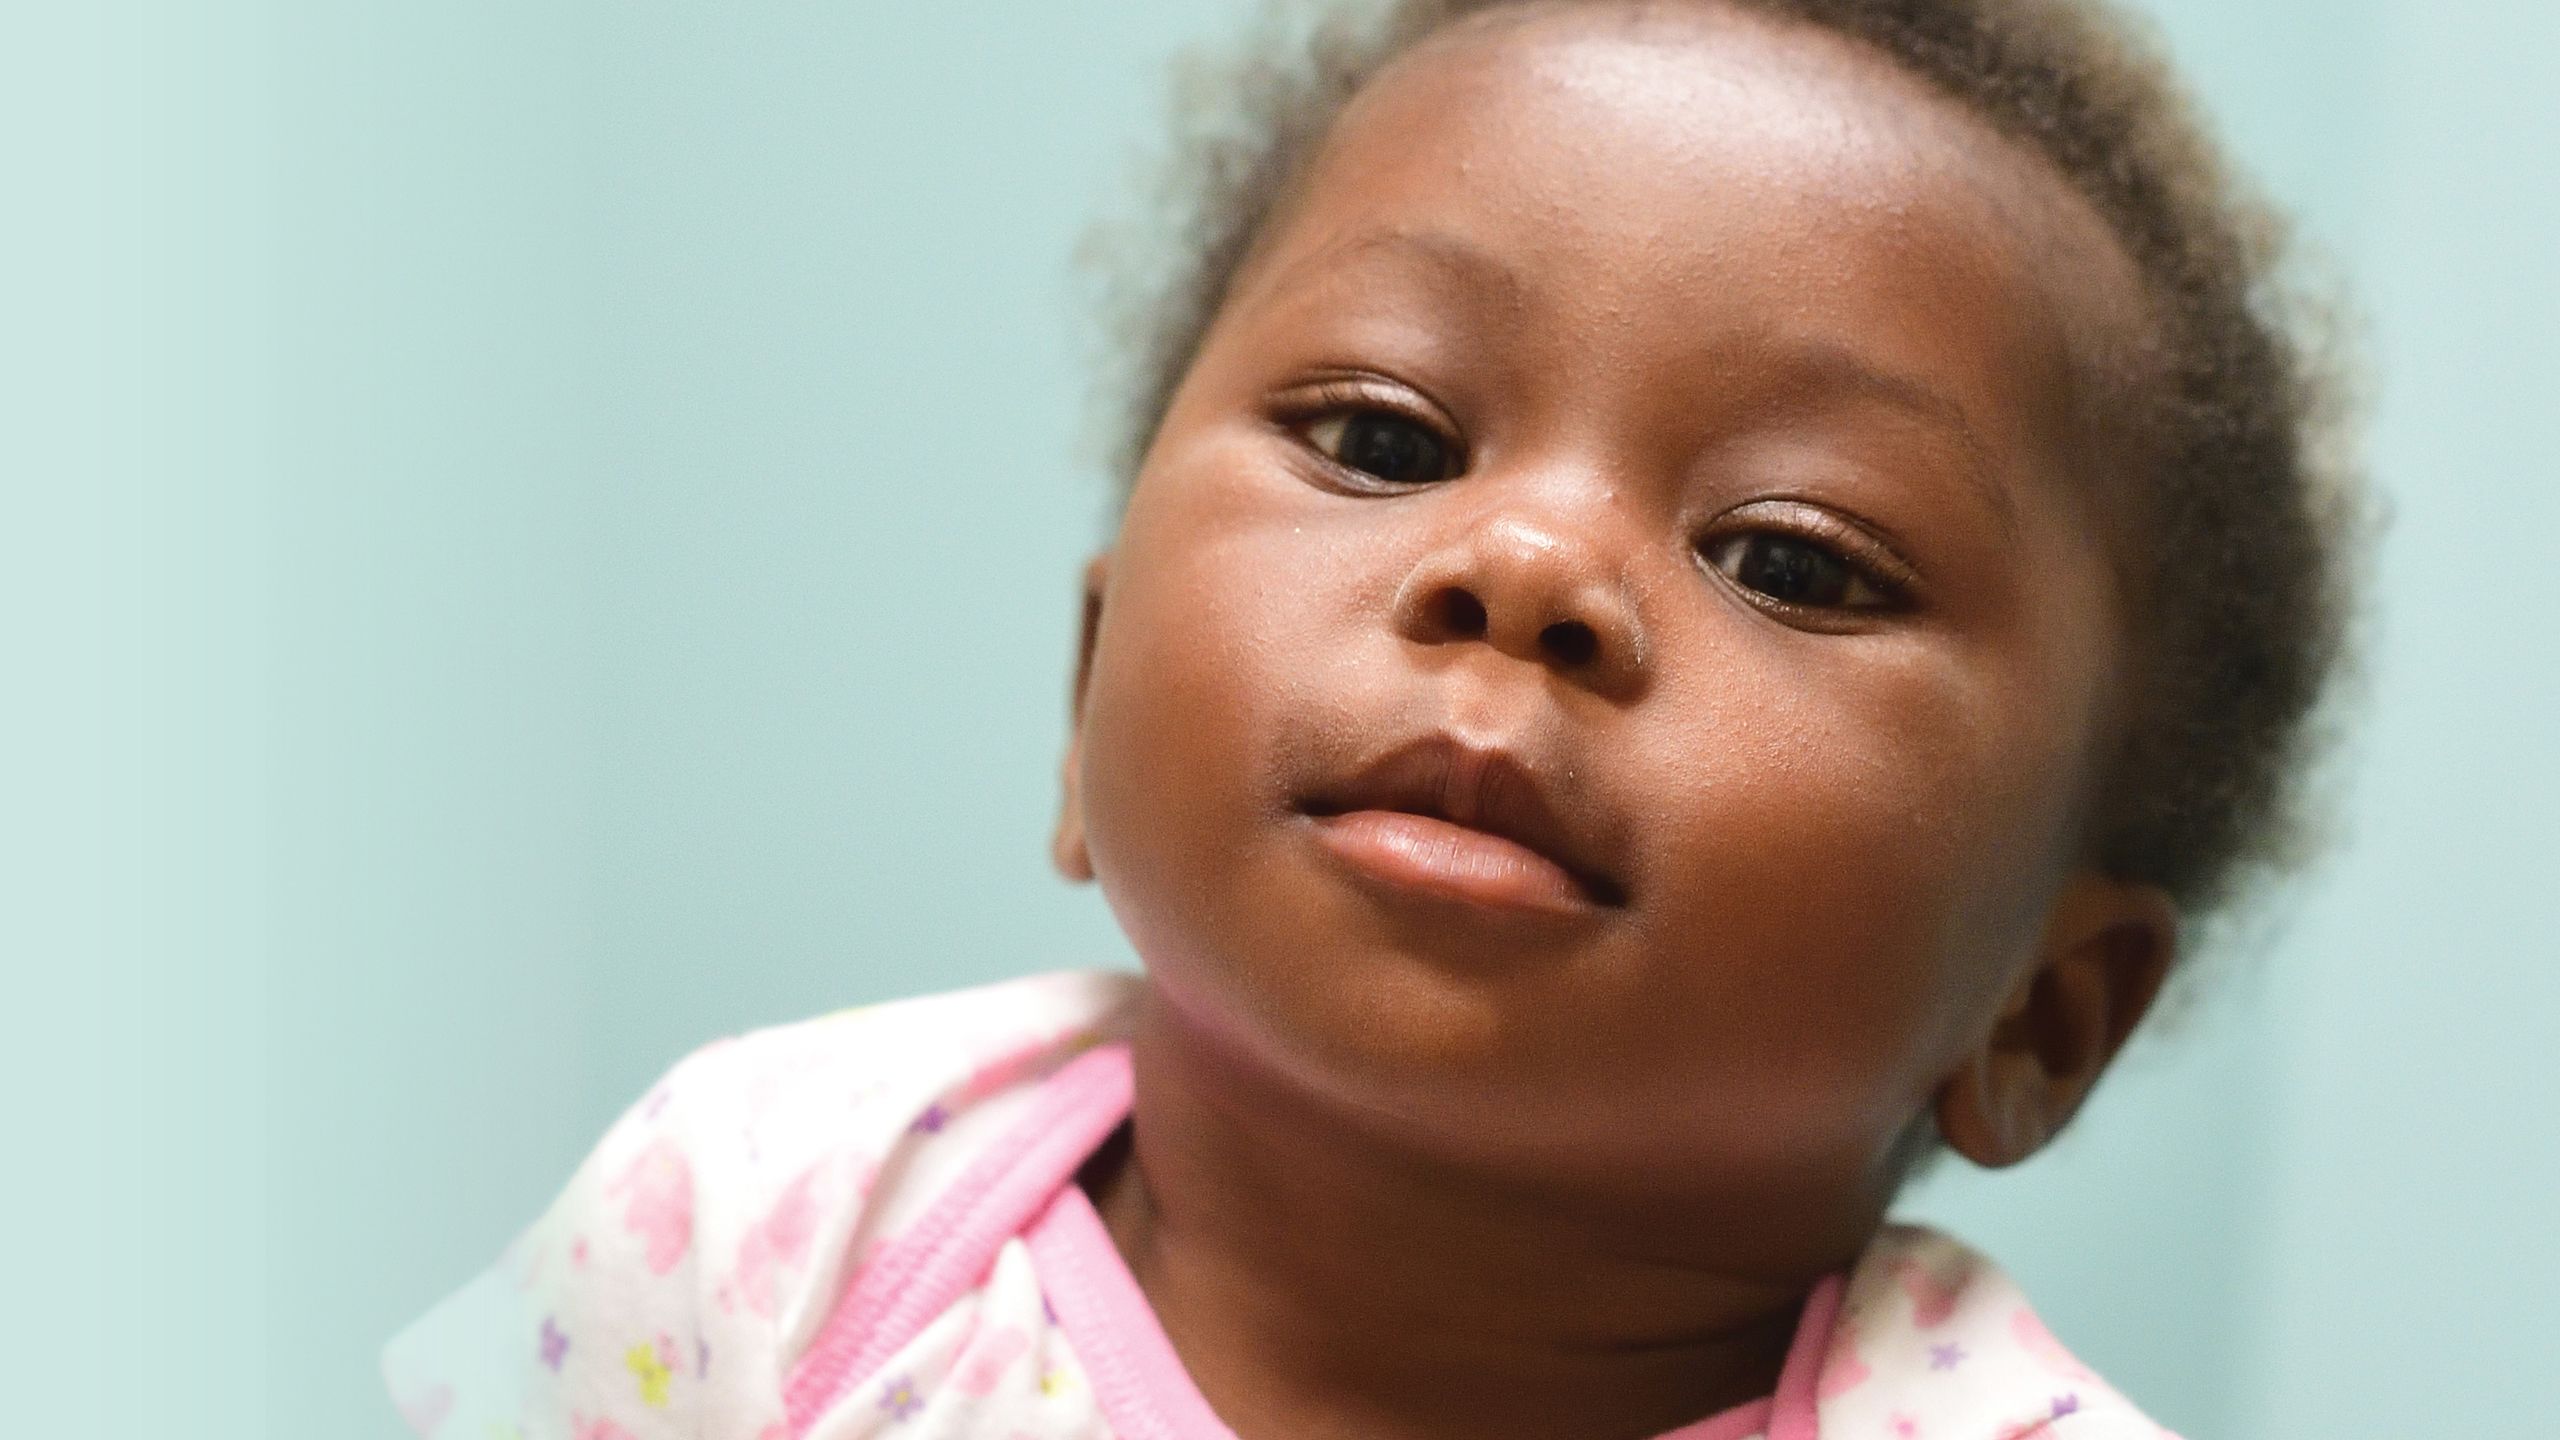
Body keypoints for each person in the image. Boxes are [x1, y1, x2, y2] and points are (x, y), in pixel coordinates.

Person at [385, 1, 2360, 1436]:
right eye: (1382, 436)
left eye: (1787, 558)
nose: (1524, 566)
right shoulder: (777, 1207)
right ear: (1082, 714)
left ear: (2041, 1011)